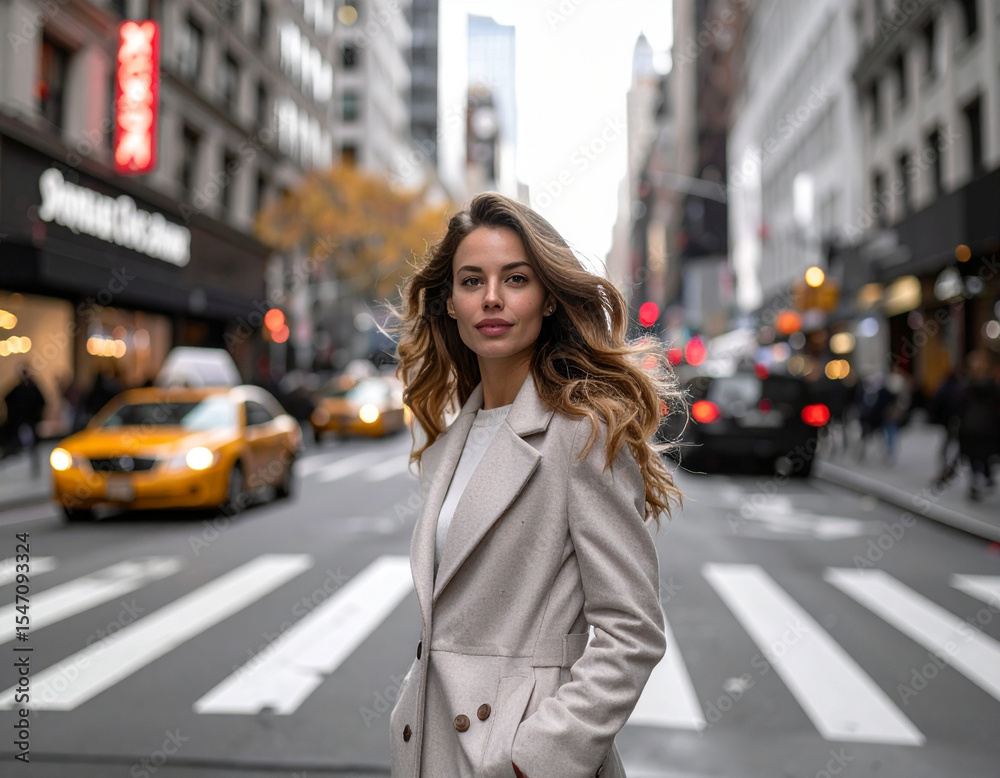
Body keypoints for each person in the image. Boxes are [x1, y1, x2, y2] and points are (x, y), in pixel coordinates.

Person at [385, 192, 683, 778]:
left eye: (515, 279)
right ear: (450, 304)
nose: (491, 297)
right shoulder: (453, 440)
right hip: (433, 747)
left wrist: (537, 758)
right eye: (472, 281)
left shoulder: (580, 431)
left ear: (547, 299)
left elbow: (632, 631)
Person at [956, 349, 1000, 501]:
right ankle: (979, 480)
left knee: (981, 457)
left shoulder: (976, 386)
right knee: (975, 458)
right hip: (972, 428)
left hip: (984, 429)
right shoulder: (967, 386)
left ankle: (982, 478)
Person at [1, 364, 47, 476]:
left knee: (31, 446)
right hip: (19, 422)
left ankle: (34, 468)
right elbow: (7, 398)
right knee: (14, 444)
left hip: (28, 421)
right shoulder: (19, 389)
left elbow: (42, 402)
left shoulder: (32, 388)